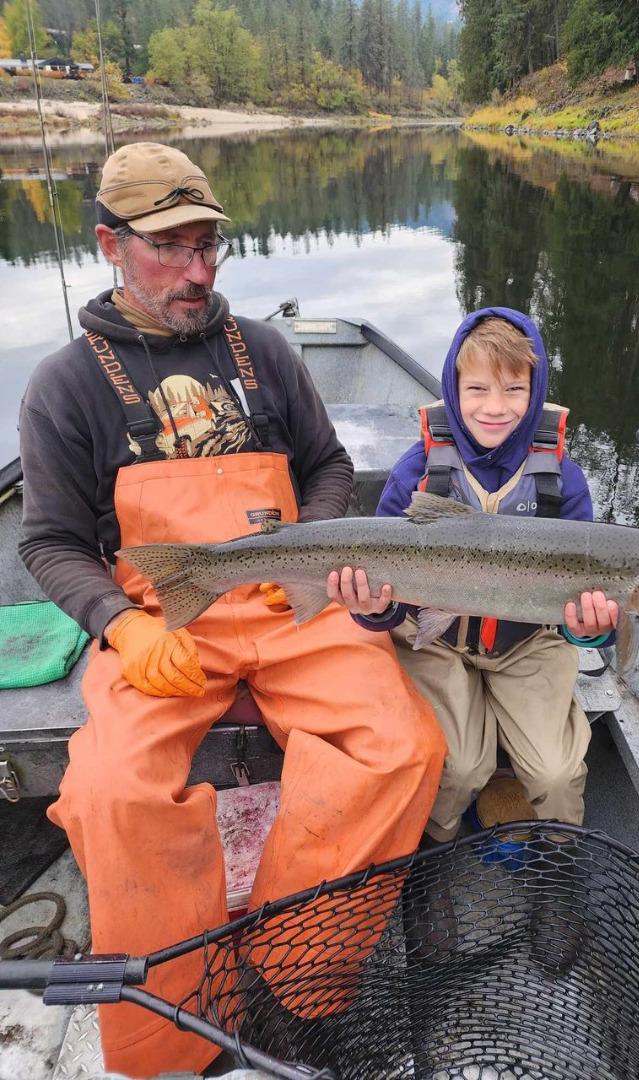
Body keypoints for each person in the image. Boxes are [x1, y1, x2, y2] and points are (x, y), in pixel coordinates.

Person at [18, 142, 445, 1078]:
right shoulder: (64, 385)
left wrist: (320, 550)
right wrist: (119, 625)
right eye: (172, 246)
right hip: (164, 617)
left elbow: (329, 469)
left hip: (293, 599)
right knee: (110, 792)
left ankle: (293, 977)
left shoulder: (266, 349)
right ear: (111, 245)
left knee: (403, 746)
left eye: (210, 244)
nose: (198, 271)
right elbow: (46, 542)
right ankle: (178, 1026)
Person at [327, 308, 618, 846]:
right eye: (477, 388)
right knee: (455, 768)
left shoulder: (565, 482)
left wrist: (591, 629)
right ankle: (432, 847)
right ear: (452, 389)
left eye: (513, 390)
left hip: (529, 643)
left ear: (536, 392)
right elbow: (387, 599)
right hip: (431, 641)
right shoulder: (416, 470)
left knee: (557, 773)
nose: (494, 407)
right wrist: (373, 608)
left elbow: (582, 615)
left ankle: (558, 862)